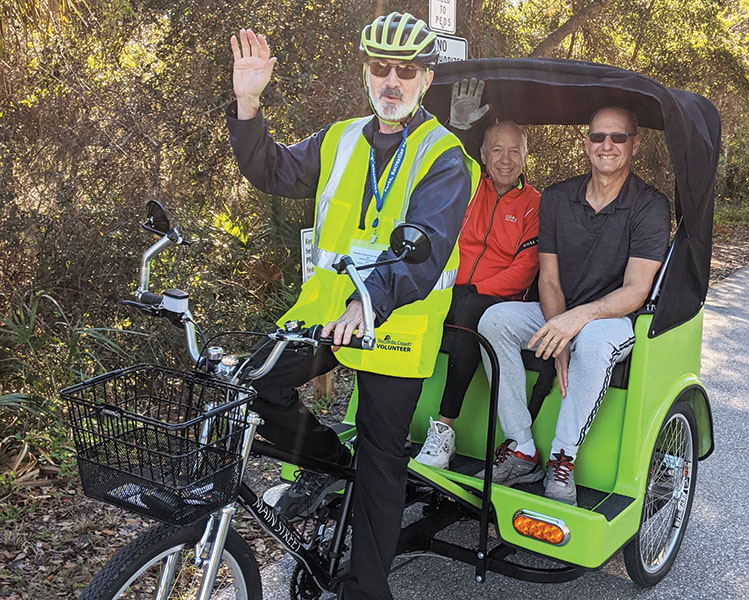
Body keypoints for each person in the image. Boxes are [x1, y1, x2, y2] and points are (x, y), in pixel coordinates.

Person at [225, 13, 479, 599]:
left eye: (406, 71)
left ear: (425, 77)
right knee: (254, 384)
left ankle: (366, 589)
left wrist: (371, 303)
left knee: (380, 462)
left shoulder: (443, 155)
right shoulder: (338, 138)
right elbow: (271, 168)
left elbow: (427, 246)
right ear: (367, 72)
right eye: (380, 68)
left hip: (400, 323)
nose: (391, 80)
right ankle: (324, 462)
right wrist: (246, 104)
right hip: (324, 310)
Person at [477, 106, 670, 505]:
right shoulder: (558, 197)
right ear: (586, 143)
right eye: (599, 137)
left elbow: (636, 289)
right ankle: (522, 447)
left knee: (596, 341)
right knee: (494, 319)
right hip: (561, 309)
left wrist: (575, 322)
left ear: (634, 144)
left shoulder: (649, 206)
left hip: (614, 317)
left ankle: (563, 457)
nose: (607, 146)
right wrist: (559, 331)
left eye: (618, 138)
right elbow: (548, 278)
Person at [413, 118, 540, 469]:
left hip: (497, 300)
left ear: (526, 157)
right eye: (497, 149)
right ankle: (387, 419)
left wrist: (476, 289)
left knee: (470, 308)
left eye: (515, 151)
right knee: (403, 305)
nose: (505, 159)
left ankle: (444, 429)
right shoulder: (466, 186)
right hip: (451, 289)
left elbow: (525, 268)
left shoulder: (535, 204)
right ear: (482, 155)